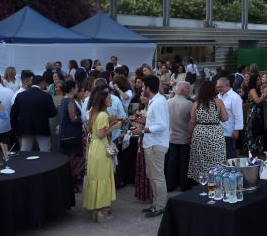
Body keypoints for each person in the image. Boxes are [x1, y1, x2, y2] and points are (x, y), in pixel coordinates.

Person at [129, 75, 169, 218]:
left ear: (148, 88)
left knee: (157, 177)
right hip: (151, 144)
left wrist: (143, 130)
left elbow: (162, 125)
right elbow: (156, 122)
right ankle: (155, 204)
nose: (142, 88)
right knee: (152, 176)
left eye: (144, 86)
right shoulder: (155, 101)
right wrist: (143, 119)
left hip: (156, 144)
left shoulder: (158, 102)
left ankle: (160, 206)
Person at [83, 89, 122, 222]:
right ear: (103, 101)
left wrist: (110, 124)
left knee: (96, 178)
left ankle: (96, 209)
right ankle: (102, 212)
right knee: (103, 177)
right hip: (100, 149)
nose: (111, 100)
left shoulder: (95, 113)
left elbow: (96, 131)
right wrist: (115, 126)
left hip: (94, 148)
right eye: (109, 98)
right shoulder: (102, 115)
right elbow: (101, 134)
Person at [187, 80, 229, 182]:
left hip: (199, 133)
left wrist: (189, 136)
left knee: (201, 159)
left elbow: (192, 121)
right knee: (216, 158)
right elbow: (224, 118)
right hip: (215, 133)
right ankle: (216, 180)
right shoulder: (218, 102)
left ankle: (203, 182)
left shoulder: (197, 103)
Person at [10, 75, 57, 152]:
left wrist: (15, 129)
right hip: (42, 128)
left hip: (26, 128)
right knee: (45, 152)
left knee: (25, 152)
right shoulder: (46, 96)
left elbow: (14, 114)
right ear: (42, 83)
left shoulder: (20, 95)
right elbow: (52, 113)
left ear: (32, 83)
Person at [166, 81, 193, 192]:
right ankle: (183, 185)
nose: (190, 91)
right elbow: (192, 121)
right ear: (183, 90)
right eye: (188, 89)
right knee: (184, 162)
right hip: (184, 137)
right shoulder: (188, 104)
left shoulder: (167, 102)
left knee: (171, 162)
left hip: (171, 137)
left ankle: (170, 184)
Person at [58, 80, 84, 191]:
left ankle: (68, 183)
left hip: (65, 133)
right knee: (74, 159)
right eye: (77, 87)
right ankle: (70, 183)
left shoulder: (63, 100)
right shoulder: (70, 101)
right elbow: (73, 118)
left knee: (68, 159)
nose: (77, 89)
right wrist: (83, 118)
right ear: (72, 88)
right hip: (72, 134)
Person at [215, 76, 244, 159]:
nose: (218, 89)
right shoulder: (218, 96)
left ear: (228, 85)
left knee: (231, 155)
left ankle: (234, 171)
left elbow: (238, 115)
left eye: (220, 87)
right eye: (217, 87)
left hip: (229, 131)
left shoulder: (235, 97)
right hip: (219, 131)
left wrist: (236, 130)